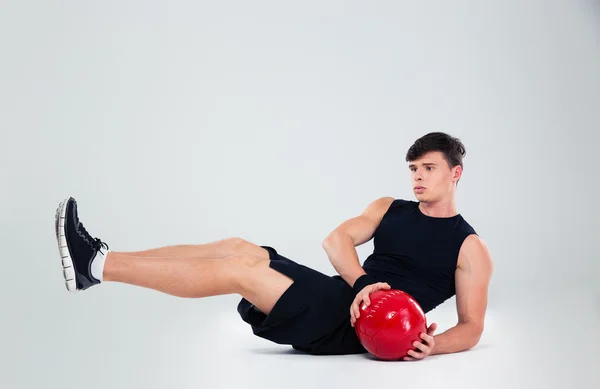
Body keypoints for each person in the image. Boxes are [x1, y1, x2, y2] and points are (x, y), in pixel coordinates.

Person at [54, 132, 493, 361]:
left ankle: (97, 267)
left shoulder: (469, 247)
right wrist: (363, 281)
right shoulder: (389, 207)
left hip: (357, 328)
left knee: (238, 272)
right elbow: (335, 240)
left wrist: (434, 346)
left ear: (455, 174)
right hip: (342, 294)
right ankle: (101, 257)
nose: (417, 176)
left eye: (429, 168)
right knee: (241, 248)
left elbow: (472, 326)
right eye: (414, 168)